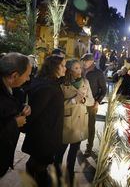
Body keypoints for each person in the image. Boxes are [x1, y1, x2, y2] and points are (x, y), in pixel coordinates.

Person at [22, 55, 66, 186]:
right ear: (54, 67)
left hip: (44, 134)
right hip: (44, 136)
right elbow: (34, 112)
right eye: (63, 66)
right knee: (40, 168)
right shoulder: (48, 87)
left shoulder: (48, 82)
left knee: (34, 163)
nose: (65, 69)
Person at [54, 60, 94, 186]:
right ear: (70, 70)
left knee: (73, 153)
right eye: (76, 68)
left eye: (80, 68)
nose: (79, 71)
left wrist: (83, 100)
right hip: (66, 123)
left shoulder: (86, 82)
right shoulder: (62, 84)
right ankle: (57, 176)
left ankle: (70, 176)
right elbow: (57, 106)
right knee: (60, 153)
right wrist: (73, 101)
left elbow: (91, 101)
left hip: (80, 123)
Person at [0, 53, 31, 177]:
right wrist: (15, 123)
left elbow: (11, 105)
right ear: (14, 75)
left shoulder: (14, 88)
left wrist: (23, 107)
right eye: (27, 75)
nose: (28, 79)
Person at [80, 53, 107, 156]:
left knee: (90, 126)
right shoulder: (81, 71)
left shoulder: (98, 73)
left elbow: (104, 90)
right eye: (83, 61)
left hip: (92, 104)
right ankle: (76, 144)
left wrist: (98, 101)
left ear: (91, 61)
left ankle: (89, 148)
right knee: (79, 124)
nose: (83, 62)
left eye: (85, 61)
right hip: (80, 103)